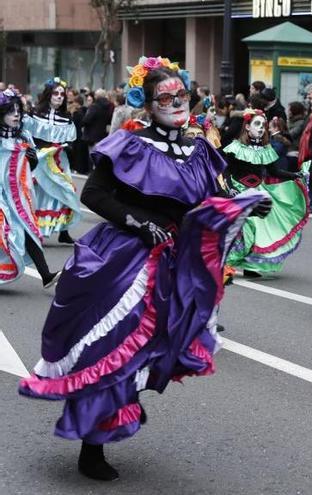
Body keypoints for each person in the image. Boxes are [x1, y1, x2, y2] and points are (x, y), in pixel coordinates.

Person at [18, 58, 271, 481]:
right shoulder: (130, 144)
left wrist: (250, 203)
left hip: (174, 263)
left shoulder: (200, 149)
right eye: (166, 98)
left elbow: (216, 198)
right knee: (112, 348)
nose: (176, 104)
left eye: (181, 97)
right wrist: (139, 222)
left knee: (156, 348)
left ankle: (117, 410)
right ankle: (92, 444)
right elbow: (95, 195)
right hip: (124, 261)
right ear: (148, 104)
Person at [224, 109, 308, 277]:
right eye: (257, 124)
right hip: (240, 192)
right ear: (247, 127)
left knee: (260, 230)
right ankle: (227, 263)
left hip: (258, 192)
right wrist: (230, 188)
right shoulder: (235, 147)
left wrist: (295, 175)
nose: (261, 128)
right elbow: (225, 169)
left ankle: (251, 265)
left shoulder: (265, 148)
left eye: (263, 125)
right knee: (246, 229)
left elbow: (274, 171)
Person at [0, 88, 60, 287]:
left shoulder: (23, 136)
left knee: (27, 228)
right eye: (10, 111)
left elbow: (29, 167)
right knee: (4, 229)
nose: (16, 114)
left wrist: (32, 160)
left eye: (18, 110)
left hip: (17, 193)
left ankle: (46, 275)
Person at [20, 77, 82, 244]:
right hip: (38, 161)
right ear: (49, 95)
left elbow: (72, 141)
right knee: (37, 194)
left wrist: (67, 147)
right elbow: (26, 135)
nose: (59, 97)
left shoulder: (67, 118)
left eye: (62, 94)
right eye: (56, 93)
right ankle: (33, 230)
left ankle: (63, 231)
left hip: (59, 162)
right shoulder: (34, 113)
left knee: (65, 191)